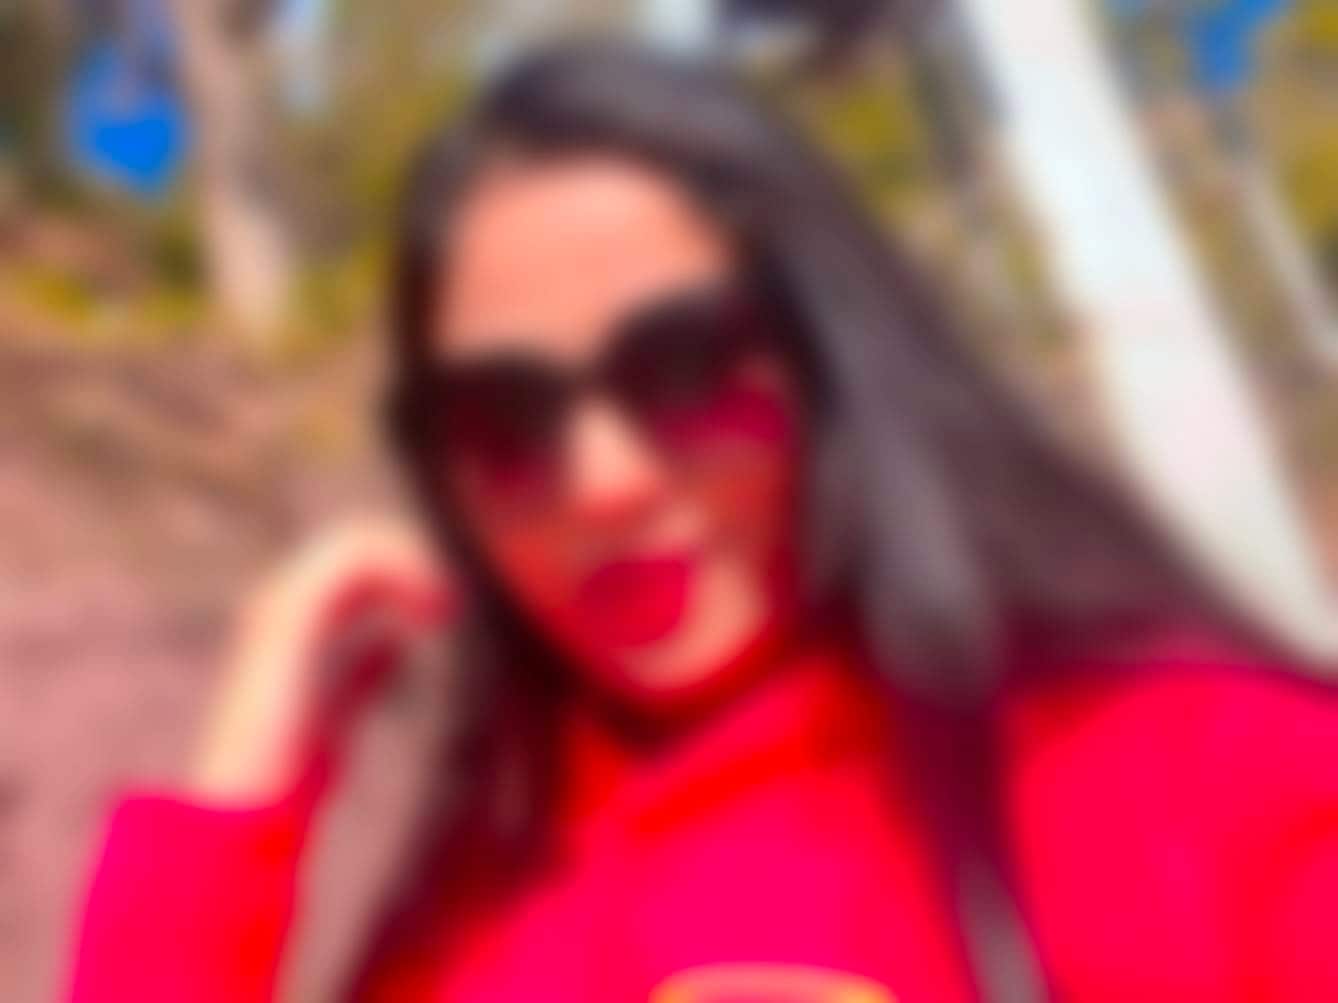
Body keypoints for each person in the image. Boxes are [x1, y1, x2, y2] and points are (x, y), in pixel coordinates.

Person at [65, 42, 1338, 1003]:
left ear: (833, 359)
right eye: (504, 419)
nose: (602, 481)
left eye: (682, 368)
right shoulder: (467, 904)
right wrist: (231, 817)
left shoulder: (1228, 784)